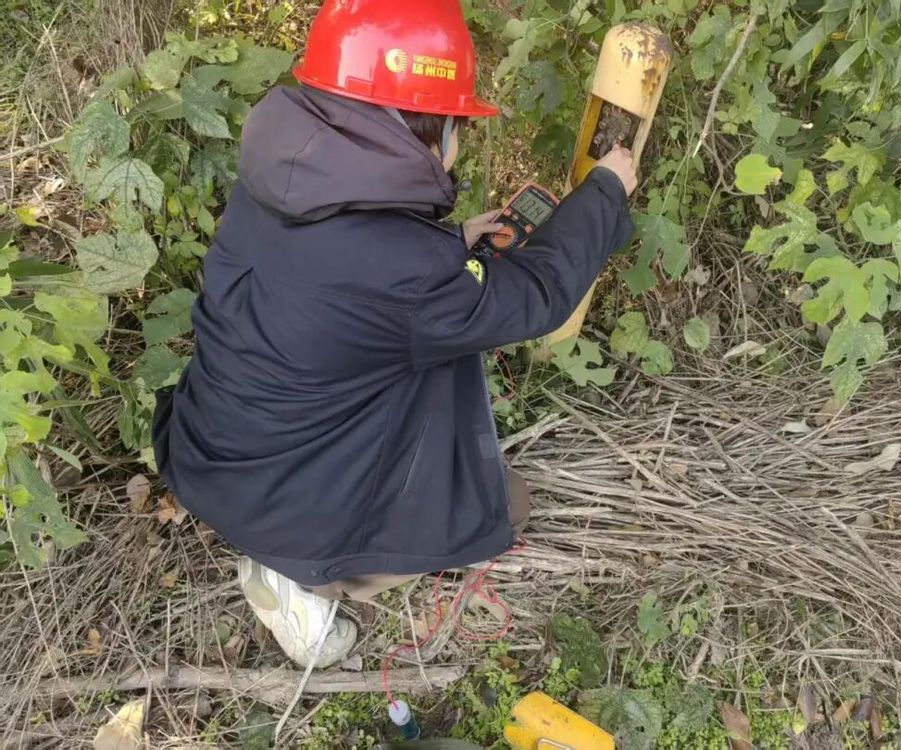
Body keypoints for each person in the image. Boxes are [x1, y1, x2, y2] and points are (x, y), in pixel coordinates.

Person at [152, 0, 637, 668]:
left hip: (210, 452)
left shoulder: (273, 183)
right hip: (280, 507)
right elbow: (537, 297)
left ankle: (283, 543)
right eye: (457, 123)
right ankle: (301, 579)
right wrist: (605, 191)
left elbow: (343, 277)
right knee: (505, 505)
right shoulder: (407, 271)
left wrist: (451, 242)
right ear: (429, 127)